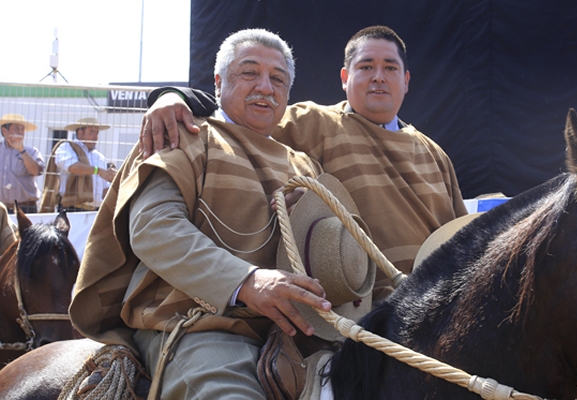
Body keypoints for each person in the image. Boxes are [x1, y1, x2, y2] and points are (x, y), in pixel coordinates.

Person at [68, 29, 339, 399]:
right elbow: (153, 229)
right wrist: (246, 282)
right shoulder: (189, 136)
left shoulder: (304, 166)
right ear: (218, 81)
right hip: (198, 329)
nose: (265, 86)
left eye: (278, 79)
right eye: (249, 72)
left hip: (296, 337)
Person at [141, 25, 468, 300]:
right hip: (365, 305)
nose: (378, 77)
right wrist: (173, 97)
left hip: (440, 299)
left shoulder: (435, 154)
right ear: (344, 77)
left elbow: (461, 238)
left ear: (407, 80)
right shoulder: (314, 123)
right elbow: (242, 114)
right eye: (366, 66)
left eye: (390, 68)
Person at [40, 117, 117, 213]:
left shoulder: (99, 157)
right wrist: (99, 171)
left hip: (95, 211)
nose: (96, 137)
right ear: (80, 133)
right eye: (92, 132)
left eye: (97, 133)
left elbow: (104, 188)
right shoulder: (66, 148)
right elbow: (73, 167)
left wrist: (115, 180)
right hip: (71, 209)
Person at [0, 114, 44, 214]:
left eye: (22, 129)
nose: (20, 132)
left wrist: (22, 150)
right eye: (16, 128)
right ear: (4, 131)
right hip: (1, 209)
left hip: (25, 208)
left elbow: (36, 171)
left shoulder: (31, 152)